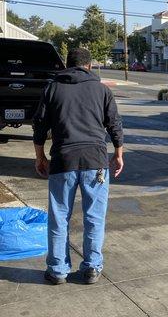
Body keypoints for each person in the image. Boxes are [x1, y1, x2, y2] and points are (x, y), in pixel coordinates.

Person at [33, 48, 124, 285]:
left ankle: (57, 270)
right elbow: (114, 124)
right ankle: (92, 268)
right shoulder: (102, 90)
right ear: (90, 66)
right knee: (94, 217)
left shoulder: (52, 88)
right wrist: (118, 154)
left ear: (66, 65)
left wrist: (40, 156)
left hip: (63, 160)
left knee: (59, 216)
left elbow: (40, 125)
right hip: (95, 161)